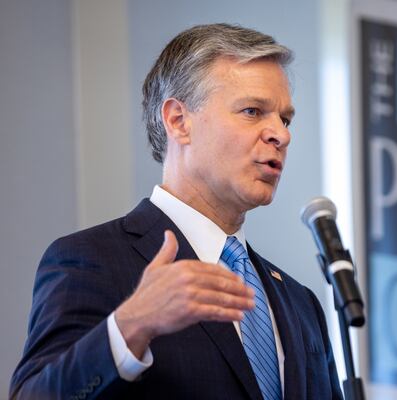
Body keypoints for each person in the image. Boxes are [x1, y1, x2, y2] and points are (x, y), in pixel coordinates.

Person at [10, 23, 342, 400]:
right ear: (178, 121)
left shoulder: (301, 304)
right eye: (253, 111)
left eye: (285, 118)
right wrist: (133, 324)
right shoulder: (92, 259)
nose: (281, 135)